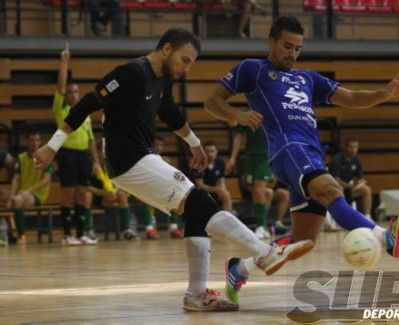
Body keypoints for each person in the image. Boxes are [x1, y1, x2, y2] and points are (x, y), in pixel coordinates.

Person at [34, 28, 314, 311]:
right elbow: (86, 104)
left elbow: (169, 113)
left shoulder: (161, 80)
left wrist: (194, 144)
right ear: (167, 49)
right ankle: (264, 253)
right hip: (130, 161)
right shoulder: (130, 74)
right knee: (200, 201)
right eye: (185, 60)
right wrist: (51, 147)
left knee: (195, 212)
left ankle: (197, 295)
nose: (187, 68)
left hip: (140, 160)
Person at [204, 16, 399, 304]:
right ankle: (382, 237)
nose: (292, 53)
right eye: (287, 46)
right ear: (272, 42)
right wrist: (236, 116)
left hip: (311, 152)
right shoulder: (253, 69)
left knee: (304, 241)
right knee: (332, 191)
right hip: (288, 148)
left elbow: (351, 98)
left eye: (297, 48)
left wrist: (386, 94)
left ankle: (240, 269)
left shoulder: (308, 78)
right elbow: (212, 100)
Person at [55, 42, 100, 246]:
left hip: (84, 156)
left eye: (75, 92)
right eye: (70, 92)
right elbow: (61, 85)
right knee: (68, 194)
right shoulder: (62, 109)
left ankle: (81, 233)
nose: (72, 94)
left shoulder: (86, 113)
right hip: (67, 154)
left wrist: (97, 162)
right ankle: (66, 235)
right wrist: (65, 61)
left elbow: (91, 140)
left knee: (82, 194)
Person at [226, 123, 287, 239]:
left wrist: (277, 162)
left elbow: (280, 137)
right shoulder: (246, 113)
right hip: (250, 157)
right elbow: (238, 136)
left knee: (258, 190)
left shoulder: (270, 111)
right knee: (256, 192)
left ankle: (261, 226)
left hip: (266, 157)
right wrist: (233, 157)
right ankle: (263, 225)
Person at [5, 132, 53, 243]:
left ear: (40, 142)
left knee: (16, 201)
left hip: (38, 194)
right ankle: (11, 232)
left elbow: (47, 180)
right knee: (10, 198)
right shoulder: (21, 158)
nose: (34, 143)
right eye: (31, 140)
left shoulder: (44, 157)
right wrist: (11, 196)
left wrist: (28, 191)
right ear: (27, 142)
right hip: (23, 193)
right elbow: (16, 179)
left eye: (37, 140)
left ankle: (21, 236)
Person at [330, 137, 372, 219]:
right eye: (351, 147)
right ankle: (337, 218)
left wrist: (361, 183)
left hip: (349, 190)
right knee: (339, 189)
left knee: (366, 190)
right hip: (337, 190)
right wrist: (351, 186)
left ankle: (367, 217)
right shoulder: (337, 159)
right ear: (345, 147)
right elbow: (336, 181)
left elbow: (361, 178)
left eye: (356, 147)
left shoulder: (356, 160)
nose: (354, 150)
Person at [194, 140, 233, 212]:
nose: (210, 154)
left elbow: (221, 180)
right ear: (203, 152)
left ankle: (227, 217)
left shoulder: (220, 162)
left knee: (226, 194)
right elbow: (200, 186)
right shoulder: (199, 164)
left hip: (214, 190)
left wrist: (222, 190)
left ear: (216, 152)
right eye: (207, 151)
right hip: (201, 193)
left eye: (212, 151)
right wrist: (216, 189)